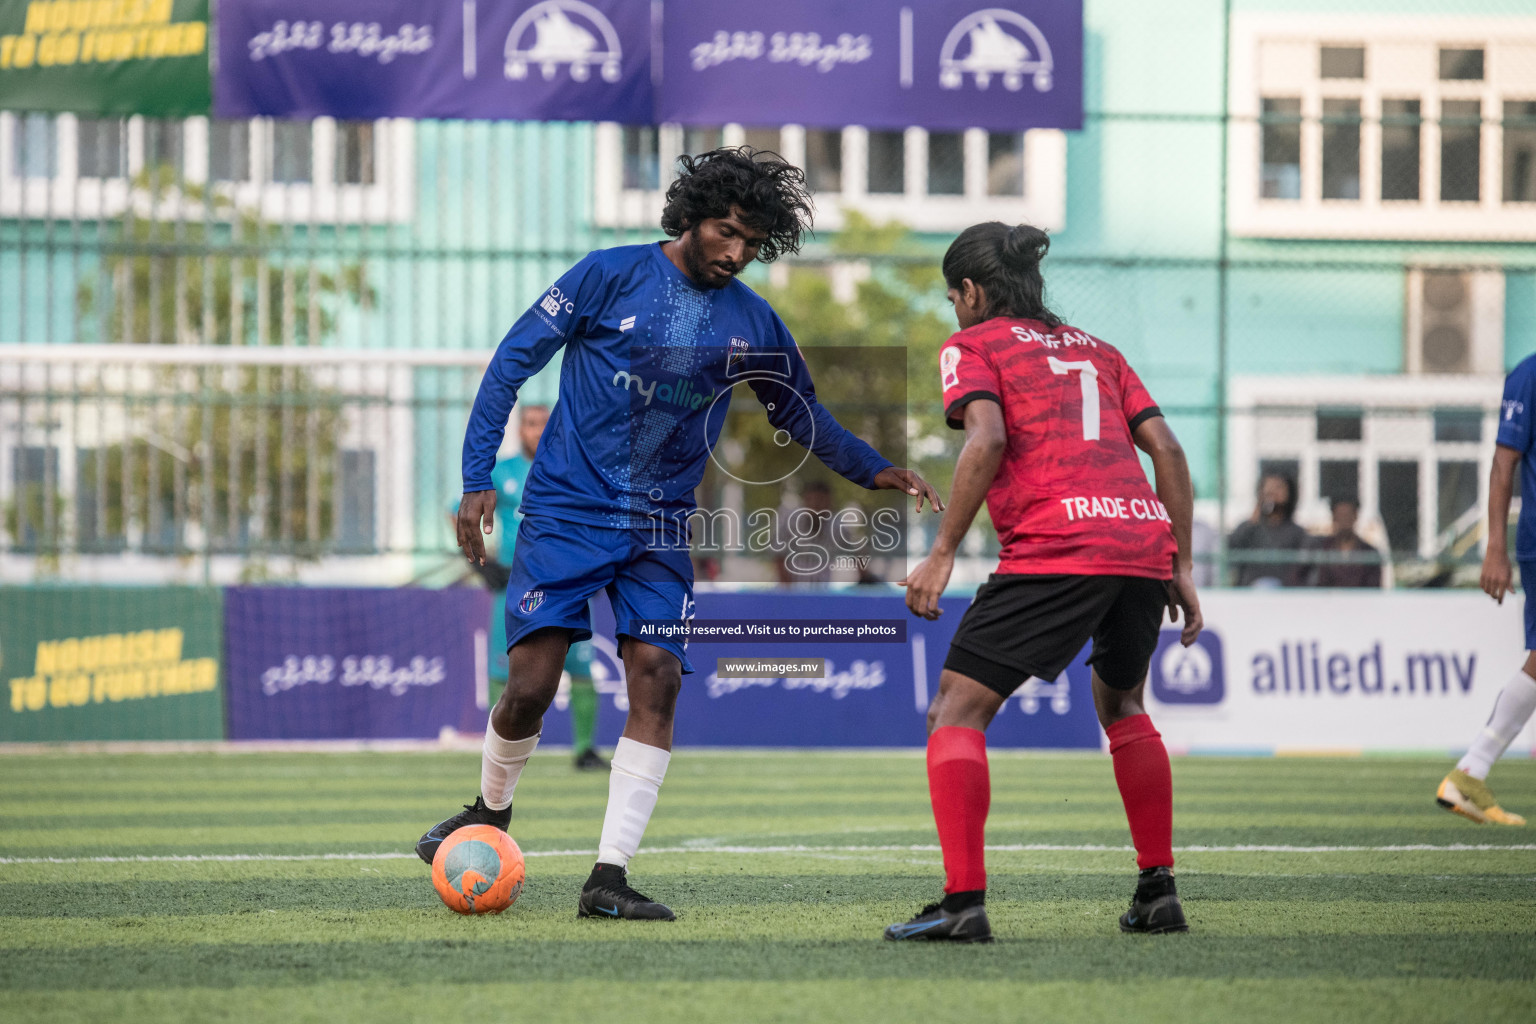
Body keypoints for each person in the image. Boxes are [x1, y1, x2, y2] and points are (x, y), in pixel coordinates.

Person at [416, 147, 943, 920]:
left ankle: (608, 879)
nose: (736, 252)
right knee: (528, 690)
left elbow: (797, 413)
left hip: (662, 528)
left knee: (657, 677)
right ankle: (490, 811)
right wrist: (473, 480)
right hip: (566, 513)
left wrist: (875, 469)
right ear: (690, 216)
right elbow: (509, 364)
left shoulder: (753, 319)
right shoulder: (609, 275)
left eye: (753, 243)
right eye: (726, 231)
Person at [886, 222, 1202, 944]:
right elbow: (1169, 452)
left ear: (971, 292)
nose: (951, 309)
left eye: (950, 295)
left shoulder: (973, 346)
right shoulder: (1101, 350)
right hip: (1138, 543)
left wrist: (941, 551)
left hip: (1060, 544)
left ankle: (962, 903)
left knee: (954, 713)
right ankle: (1158, 890)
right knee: (1122, 701)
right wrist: (1178, 565)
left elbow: (988, 437)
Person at [449, 402, 608, 770]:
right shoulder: (501, 472)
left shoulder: (573, 469)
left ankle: (584, 750)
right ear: (520, 430)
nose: (537, 430)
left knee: (581, 668)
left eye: (544, 424)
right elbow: (457, 510)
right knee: (504, 673)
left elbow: (597, 516)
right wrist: (477, 559)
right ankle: (497, 753)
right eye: (531, 423)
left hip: (568, 585)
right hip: (515, 586)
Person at [1437, 356, 1536, 827]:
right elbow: (1503, 462)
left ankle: (1471, 772)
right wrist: (1494, 546)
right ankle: (1470, 771)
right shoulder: (1530, 373)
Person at [1228, 473, 1308, 586]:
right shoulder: (1250, 527)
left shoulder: (1297, 533)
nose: (1272, 493)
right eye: (1268, 488)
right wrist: (1255, 517)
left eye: (1278, 487)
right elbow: (1231, 547)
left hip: (1286, 595)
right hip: (1249, 592)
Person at [1305, 497, 1383, 589]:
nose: (1344, 520)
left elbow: (1373, 587)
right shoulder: (1321, 548)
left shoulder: (1369, 552)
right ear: (1334, 517)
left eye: (1348, 515)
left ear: (1355, 516)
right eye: (1340, 516)